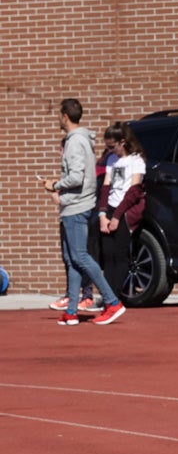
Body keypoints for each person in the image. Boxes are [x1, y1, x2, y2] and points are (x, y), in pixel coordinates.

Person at [40, 98, 126, 326]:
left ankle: (112, 301)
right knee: (74, 259)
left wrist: (55, 185)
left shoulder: (75, 142)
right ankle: (71, 311)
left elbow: (77, 176)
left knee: (80, 257)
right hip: (76, 204)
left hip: (76, 205)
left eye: (60, 115)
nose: (59, 119)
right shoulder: (81, 140)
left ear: (65, 116)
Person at [97, 122, 145, 298]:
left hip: (124, 211)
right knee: (108, 255)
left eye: (112, 146)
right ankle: (107, 296)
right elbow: (105, 187)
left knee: (120, 254)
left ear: (122, 141)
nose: (110, 150)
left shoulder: (136, 161)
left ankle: (114, 297)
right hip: (110, 208)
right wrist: (103, 214)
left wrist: (117, 216)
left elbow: (134, 191)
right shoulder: (111, 160)